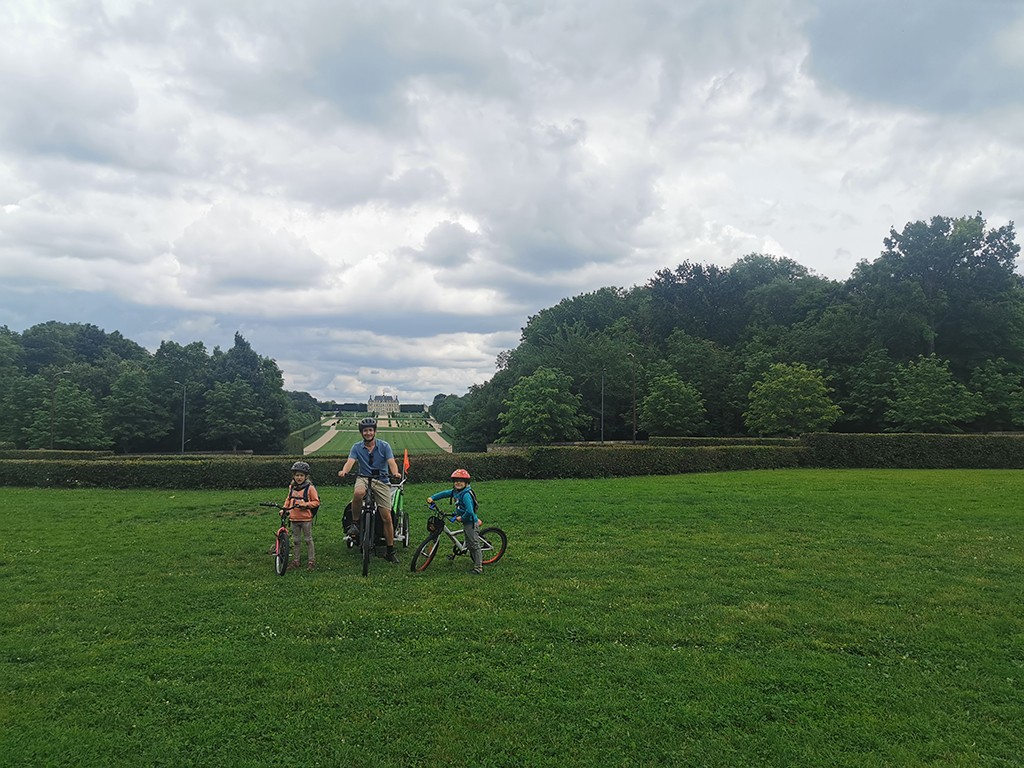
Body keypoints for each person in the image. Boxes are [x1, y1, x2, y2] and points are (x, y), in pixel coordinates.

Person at [337, 417, 402, 564]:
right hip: (364, 477)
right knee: (358, 493)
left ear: (375, 431)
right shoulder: (356, 447)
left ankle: (390, 550)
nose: (368, 433)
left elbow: (391, 462)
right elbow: (350, 462)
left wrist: (395, 473)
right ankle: (355, 523)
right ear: (361, 433)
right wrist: (344, 470)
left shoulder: (384, 446)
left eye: (370, 430)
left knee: (387, 517)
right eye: (365, 431)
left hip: (382, 479)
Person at [427, 468, 482, 575]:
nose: (458, 483)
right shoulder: (456, 492)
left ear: (466, 483)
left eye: (461, 481)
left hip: (469, 520)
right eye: (456, 480)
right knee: (468, 540)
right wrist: (432, 498)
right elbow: (445, 493)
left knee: (473, 545)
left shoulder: (465, 495)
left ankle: (478, 567)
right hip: (462, 515)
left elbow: (470, 511)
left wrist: (462, 518)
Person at [284, 460, 320, 570]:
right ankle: (296, 560)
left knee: (308, 540)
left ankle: (311, 561)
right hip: (294, 518)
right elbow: (288, 499)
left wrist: (306, 505)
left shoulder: (310, 488)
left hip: (306, 519)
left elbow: (316, 502)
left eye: (301, 475)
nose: (299, 478)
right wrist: (285, 509)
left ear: (306, 476)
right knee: (296, 541)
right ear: (293, 476)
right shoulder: (292, 487)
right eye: (297, 475)